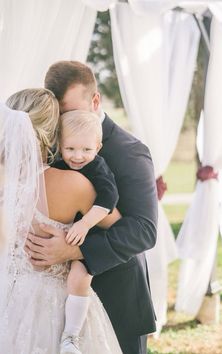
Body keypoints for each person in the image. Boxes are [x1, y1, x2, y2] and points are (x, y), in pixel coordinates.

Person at [26, 60, 158, 354]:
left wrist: (75, 249)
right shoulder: (53, 143)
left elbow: (143, 231)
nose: (63, 122)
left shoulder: (130, 152)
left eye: (70, 111)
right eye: (57, 114)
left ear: (95, 100)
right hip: (55, 301)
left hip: (117, 297)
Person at [0, 88, 122, 354]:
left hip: (6, 299)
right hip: (55, 304)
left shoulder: (3, 182)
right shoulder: (74, 184)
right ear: (54, 135)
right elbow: (117, 224)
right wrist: (77, 246)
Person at [54, 109, 120, 352]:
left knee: (80, 275)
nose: (78, 156)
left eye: (86, 150)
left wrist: (84, 224)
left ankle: (70, 336)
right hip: (65, 226)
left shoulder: (98, 167)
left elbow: (108, 199)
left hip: (90, 227)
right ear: (60, 144)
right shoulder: (57, 162)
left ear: (98, 147)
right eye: (70, 149)